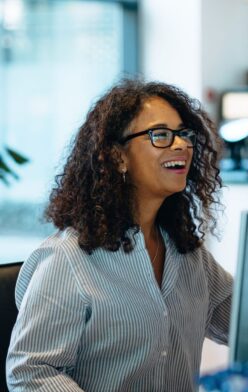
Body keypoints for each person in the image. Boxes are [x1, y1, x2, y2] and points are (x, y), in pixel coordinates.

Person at [5, 80, 232, 391]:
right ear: (117, 157)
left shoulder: (189, 254)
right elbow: (30, 371)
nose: (181, 145)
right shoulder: (68, 259)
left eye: (183, 134)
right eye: (160, 135)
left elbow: (246, 321)